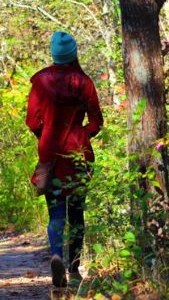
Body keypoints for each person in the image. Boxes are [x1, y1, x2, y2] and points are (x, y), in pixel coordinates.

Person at [26, 31, 103, 288]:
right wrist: (82, 134)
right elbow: (96, 122)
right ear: (73, 54)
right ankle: (74, 271)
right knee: (77, 213)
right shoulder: (83, 82)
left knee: (56, 213)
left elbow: (32, 121)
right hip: (78, 155)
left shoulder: (40, 81)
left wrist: (45, 135)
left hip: (50, 156)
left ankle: (57, 254)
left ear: (54, 54)